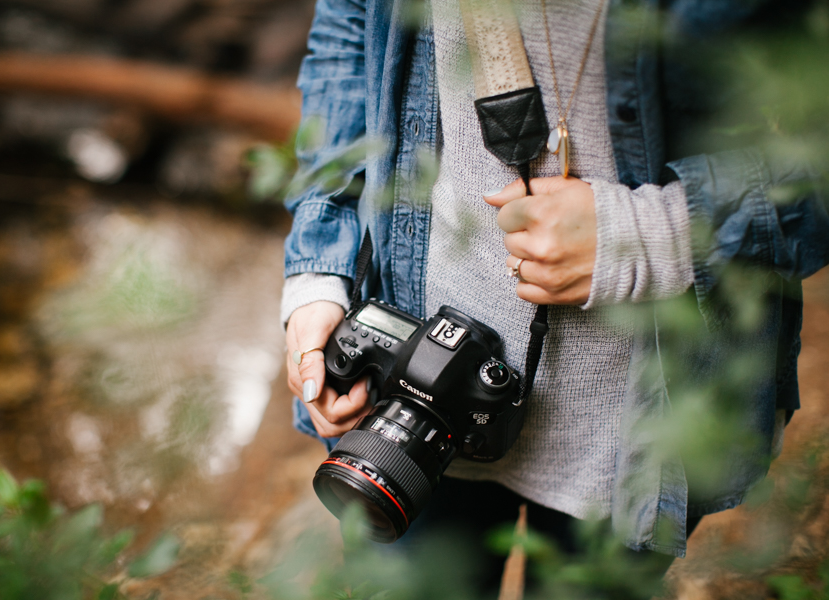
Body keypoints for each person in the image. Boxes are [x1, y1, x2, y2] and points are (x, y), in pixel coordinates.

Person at [281, 0, 829, 589]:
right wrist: (318, 274)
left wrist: (657, 234)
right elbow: (347, 24)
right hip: (403, 393)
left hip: (633, 431)